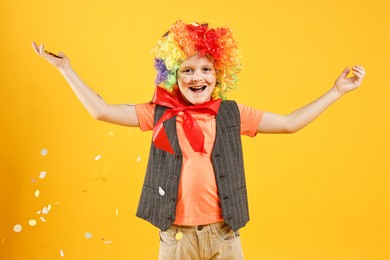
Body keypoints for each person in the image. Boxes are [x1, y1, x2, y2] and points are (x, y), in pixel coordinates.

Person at [32, 20, 366, 260]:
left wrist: (335, 92)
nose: (197, 77)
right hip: (176, 238)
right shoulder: (160, 112)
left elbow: (291, 123)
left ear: (218, 74)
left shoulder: (232, 114)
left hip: (225, 234)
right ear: (173, 74)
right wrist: (67, 70)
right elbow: (102, 111)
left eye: (205, 69)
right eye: (187, 70)